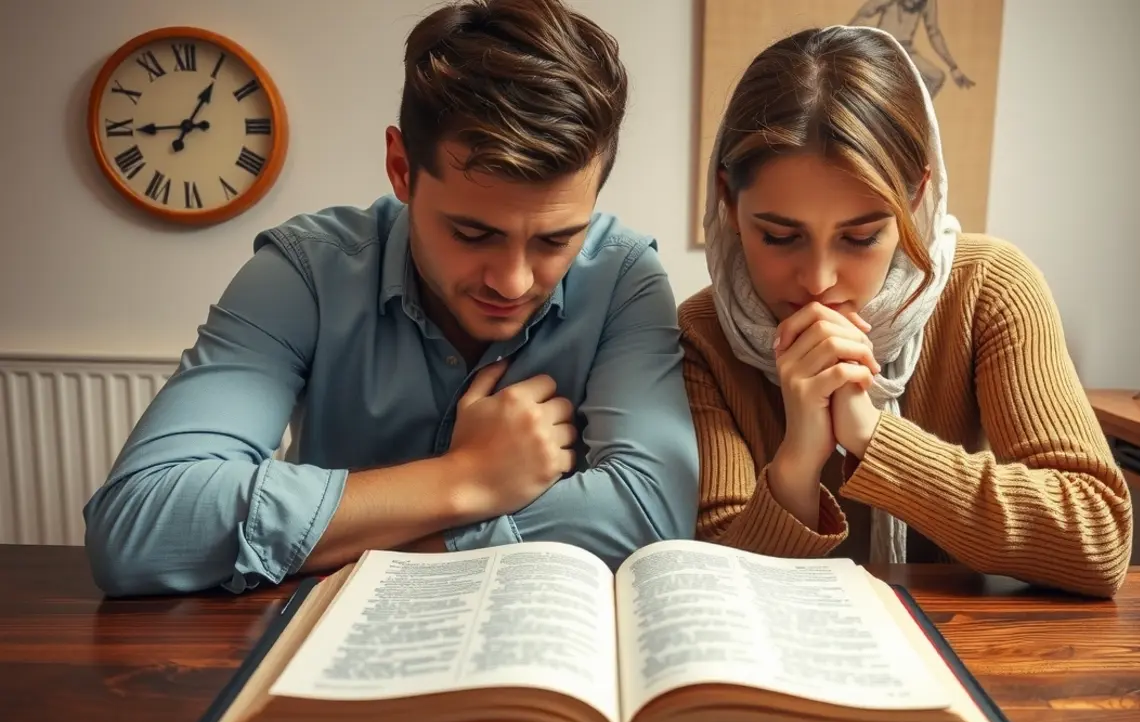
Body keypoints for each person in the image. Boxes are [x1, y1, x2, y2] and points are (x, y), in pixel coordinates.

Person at [83, 0, 698, 597]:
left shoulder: (623, 275)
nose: (512, 282)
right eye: (472, 233)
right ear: (401, 168)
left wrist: (361, 540)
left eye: (556, 238)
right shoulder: (305, 271)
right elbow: (141, 523)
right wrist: (465, 480)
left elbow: (650, 517)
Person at [679, 25, 1132, 598]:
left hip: (966, 652)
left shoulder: (988, 286)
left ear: (916, 197)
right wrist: (798, 459)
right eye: (778, 237)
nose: (819, 281)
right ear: (727, 198)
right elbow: (714, 584)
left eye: (861, 237)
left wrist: (871, 437)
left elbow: (1098, 535)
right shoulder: (703, 333)